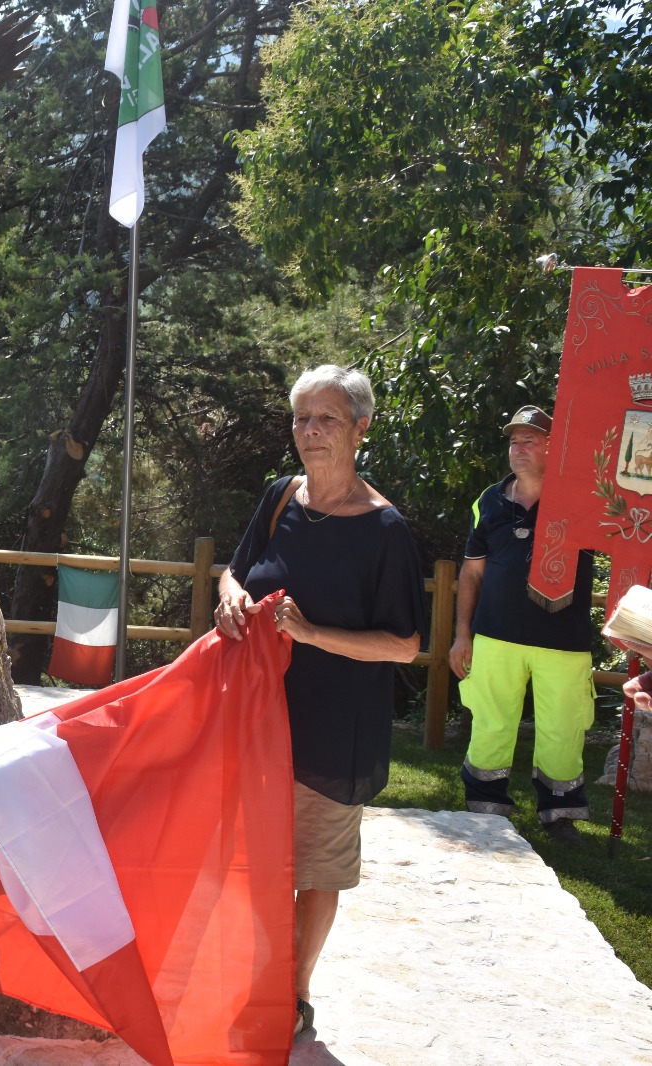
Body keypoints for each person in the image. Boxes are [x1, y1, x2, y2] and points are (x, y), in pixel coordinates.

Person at [215, 364, 426, 1041]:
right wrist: (230, 599)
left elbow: (404, 646)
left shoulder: (384, 529)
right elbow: (235, 570)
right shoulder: (281, 497)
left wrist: (311, 635)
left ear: (360, 429)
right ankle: (255, 976)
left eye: (326, 418)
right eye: (302, 418)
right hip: (260, 721)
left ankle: (294, 993)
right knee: (257, 862)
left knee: (315, 871)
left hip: (337, 732)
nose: (310, 431)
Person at [451, 406, 595, 844]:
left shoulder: (584, 499)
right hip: (495, 636)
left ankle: (560, 815)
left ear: (554, 447)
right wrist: (462, 634)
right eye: (514, 441)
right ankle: (484, 810)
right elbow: (472, 572)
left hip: (564, 640)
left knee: (562, 729)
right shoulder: (488, 501)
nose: (518, 448)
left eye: (529, 440)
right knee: (490, 723)